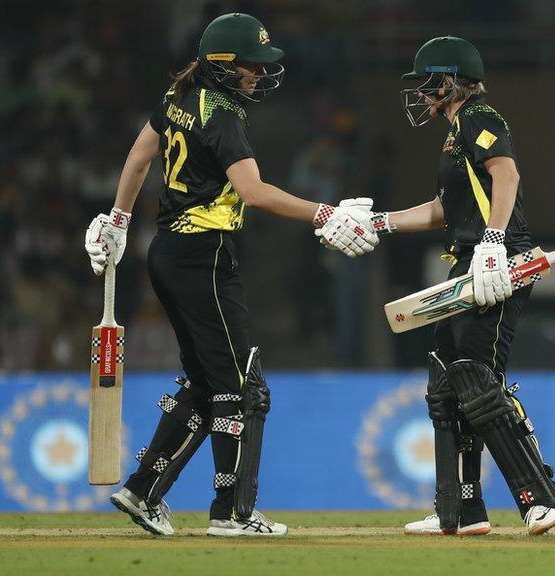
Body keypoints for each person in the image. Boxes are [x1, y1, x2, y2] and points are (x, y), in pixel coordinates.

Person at [83, 12, 378, 537]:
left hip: (168, 253)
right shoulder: (221, 115)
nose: (258, 76)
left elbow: (137, 157)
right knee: (241, 387)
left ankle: (142, 489)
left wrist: (119, 220)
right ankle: (232, 513)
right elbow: (254, 191)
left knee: (207, 381)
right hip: (205, 253)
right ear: (222, 66)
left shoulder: (177, 100)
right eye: (250, 67)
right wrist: (325, 213)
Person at [331, 36, 555, 536]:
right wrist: (380, 223)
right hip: (469, 258)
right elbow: (444, 210)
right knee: (445, 381)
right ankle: (459, 510)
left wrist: (492, 241)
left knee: (476, 377)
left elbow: (506, 174)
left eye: (426, 84)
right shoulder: (454, 134)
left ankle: (541, 498)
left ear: (450, 81)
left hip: (496, 259)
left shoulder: (482, 117)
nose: (420, 94)